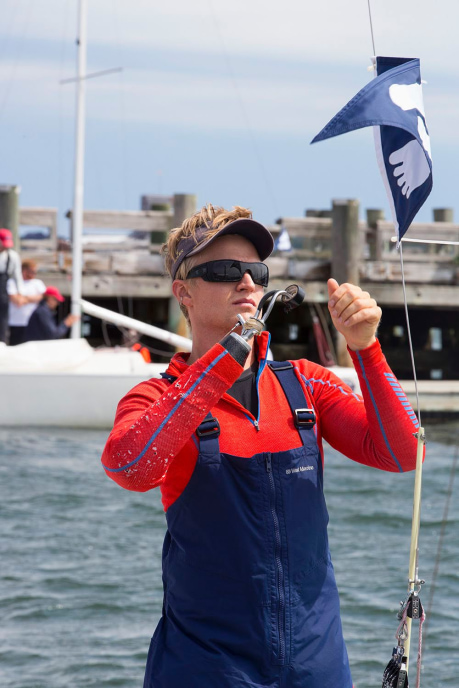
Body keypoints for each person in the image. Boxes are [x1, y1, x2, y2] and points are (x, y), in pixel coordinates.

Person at [101, 204, 420, 688]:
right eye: (226, 271)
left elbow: (402, 453)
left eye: (255, 271)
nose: (247, 283)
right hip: (206, 667)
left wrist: (365, 347)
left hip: (317, 662)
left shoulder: (306, 385)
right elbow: (130, 467)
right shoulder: (156, 398)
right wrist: (222, 364)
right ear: (183, 292)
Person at [7, 259, 46, 345]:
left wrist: (24, 298)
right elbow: (16, 300)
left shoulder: (37, 283)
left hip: (33, 323)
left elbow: (41, 297)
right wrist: (31, 299)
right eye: (32, 272)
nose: (34, 274)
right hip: (16, 322)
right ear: (24, 271)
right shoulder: (12, 282)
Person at [0, 228, 23, 344]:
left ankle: (2, 343)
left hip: (3, 291)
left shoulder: (13, 256)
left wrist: (20, 293)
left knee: (3, 319)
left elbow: (17, 276)